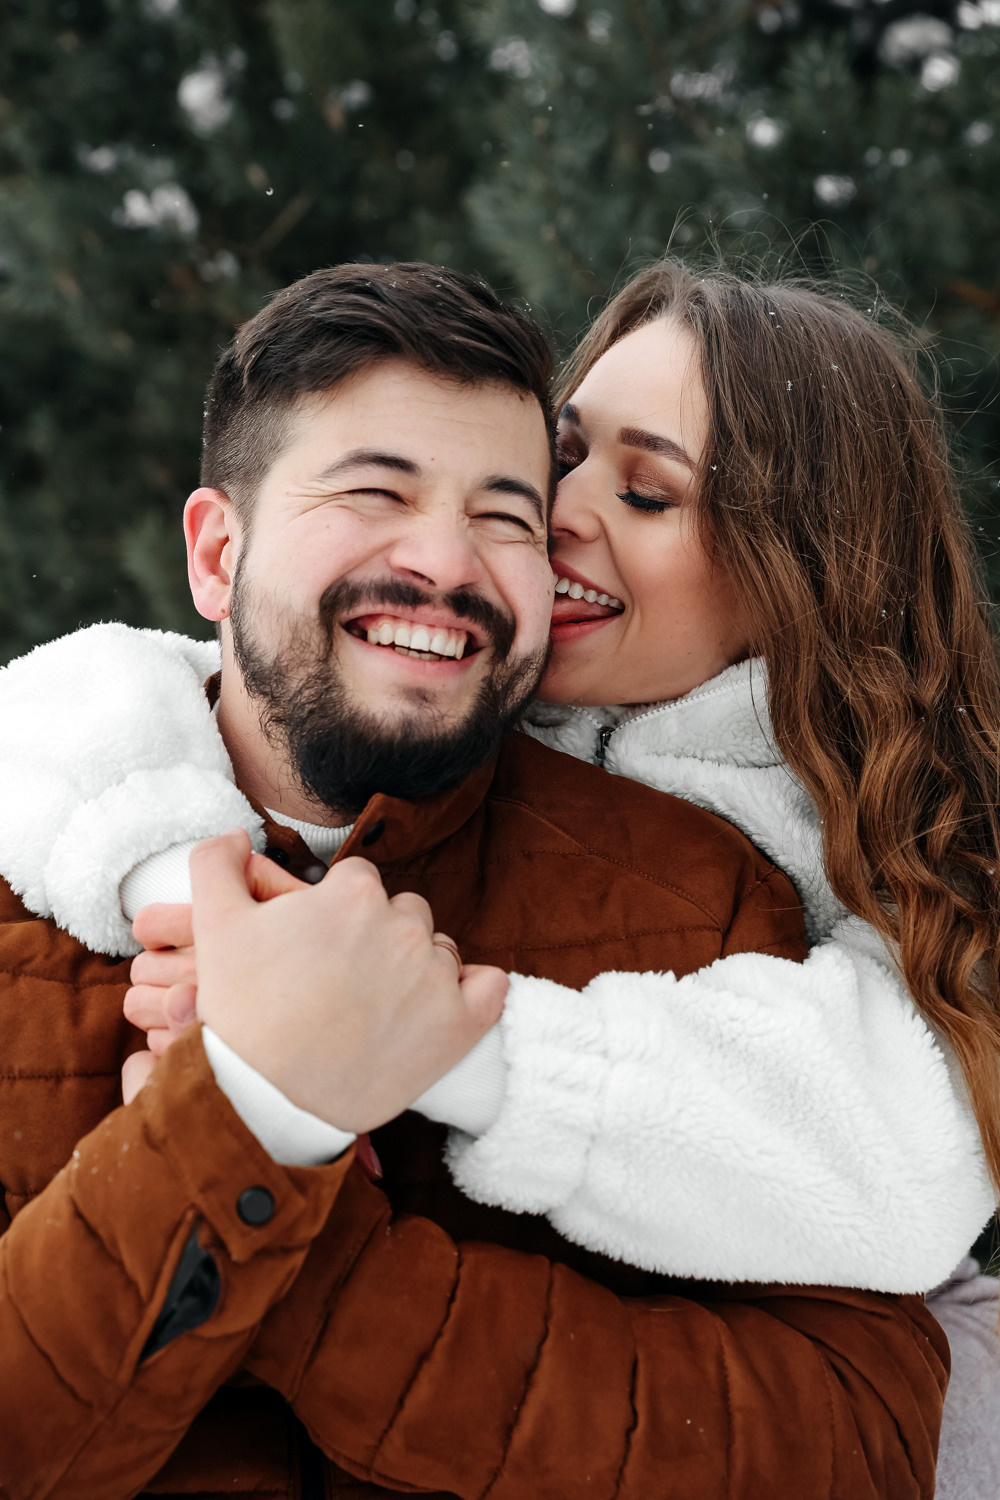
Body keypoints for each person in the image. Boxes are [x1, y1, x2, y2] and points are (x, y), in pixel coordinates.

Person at [0, 261, 955, 1498]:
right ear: (215, 550)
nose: (455, 559)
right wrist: (252, 1092)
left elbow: (851, 1445)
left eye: (506, 507)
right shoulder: (45, 847)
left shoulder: (709, 893)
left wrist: (277, 1184)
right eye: (373, 490)